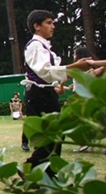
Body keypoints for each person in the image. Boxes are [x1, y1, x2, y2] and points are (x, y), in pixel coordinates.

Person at [21, 10, 90, 177]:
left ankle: (47, 173)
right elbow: (46, 71)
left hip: (46, 93)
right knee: (50, 136)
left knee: (53, 137)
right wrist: (75, 67)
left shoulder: (44, 47)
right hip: (39, 93)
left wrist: (76, 69)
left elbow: (56, 73)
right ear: (37, 26)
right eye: (49, 23)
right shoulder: (35, 46)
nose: (53, 26)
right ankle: (29, 169)